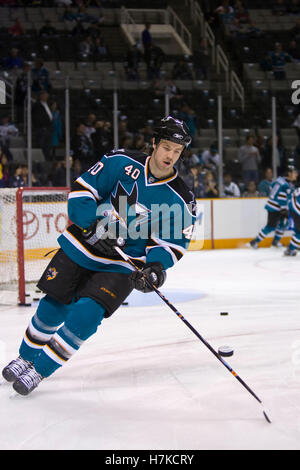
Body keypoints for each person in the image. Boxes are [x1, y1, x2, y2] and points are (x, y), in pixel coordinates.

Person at [1, 116, 197, 396]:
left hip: (122, 264)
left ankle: (39, 370)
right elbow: (83, 191)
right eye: (166, 147)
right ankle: (25, 357)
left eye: (177, 151)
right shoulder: (120, 161)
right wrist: (90, 223)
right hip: (84, 244)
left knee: (87, 314)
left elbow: (173, 243)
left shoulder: (181, 197)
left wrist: (155, 267)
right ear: (154, 143)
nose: (171, 156)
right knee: (54, 305)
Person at [248, 166, 299, 249]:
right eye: (294, 172)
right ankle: (255, 241)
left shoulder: (280, 180)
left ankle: (275, 241)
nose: (296, 174)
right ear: (289, 173)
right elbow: (282, 198)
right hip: (275, 208)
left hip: (274, 205)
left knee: (283, 224)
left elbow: (270, 188)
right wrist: (283, 210)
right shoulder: (286, 185)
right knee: (271, 226)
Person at [284, 187, 300, 256]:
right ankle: (290, 249)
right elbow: (295, 203)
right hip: (295, 209)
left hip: (294, 207)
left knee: (298, 231)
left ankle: (291, 247)